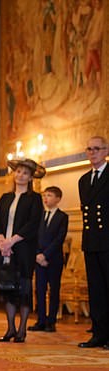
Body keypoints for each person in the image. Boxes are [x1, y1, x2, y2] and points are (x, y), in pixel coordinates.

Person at [0, 158, 44, 343]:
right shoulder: (5, 197)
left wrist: (12, 241)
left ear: (30, 178)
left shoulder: (35, 198)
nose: (20, 176)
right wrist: (1, 240)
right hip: (3, 249)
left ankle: (22, 330)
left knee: (23, 289)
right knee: (7, 289)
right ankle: (10, 328)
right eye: (18, 172)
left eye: (25, 173)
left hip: (23, 250)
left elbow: (33, 223)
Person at [78, 136, 109, 348]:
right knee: (96, 291)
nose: (92, 152)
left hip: (108, 241)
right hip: (91, 242)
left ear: (106, 150)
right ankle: (99, 334)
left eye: (97, 149)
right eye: (89, 149)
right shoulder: (83, 180)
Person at [29, 186, 68, 333]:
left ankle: (51, 322)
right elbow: (35, 237)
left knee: (54, 290)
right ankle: (41, 320)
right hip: (39, 259)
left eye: (50, 195)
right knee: (39, 290)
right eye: (45, 195)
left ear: (58, 199)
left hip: (53, 259)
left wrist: (45, 255)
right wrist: (38, 255)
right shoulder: (40, 216)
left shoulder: (62, 217)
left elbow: (59, 239)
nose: (46, 198)